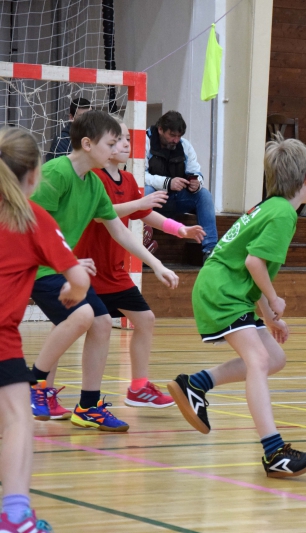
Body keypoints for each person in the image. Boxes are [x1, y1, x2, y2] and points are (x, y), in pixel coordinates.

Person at [167, 137, 306, 479]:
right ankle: (274, 452)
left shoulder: (270, 207)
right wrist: (275, 299)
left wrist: (268, 316)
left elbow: (247, 268)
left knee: (274, 358)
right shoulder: (283, 214)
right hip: (222, 290)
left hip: (225, 286)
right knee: (259, 360)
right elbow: (254, 264)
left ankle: (196, 384)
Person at [28, 110, 179, 430]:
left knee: (100, 323)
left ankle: (88, 406)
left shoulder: (94, 185)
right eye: (110, 143)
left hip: (62, 268)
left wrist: (156, 264)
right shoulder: (56, 173)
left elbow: (120, 231)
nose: (115, 150)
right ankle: (34, 383)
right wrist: (68, 262)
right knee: (83, 316)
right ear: (87, 144)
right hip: (35, 268)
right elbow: (35, 228)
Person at [73, 120, 205, 409]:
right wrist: (138, 204)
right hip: (88, 271)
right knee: (81, 329)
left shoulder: (129, 180)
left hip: (115, 273)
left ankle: (139, 388)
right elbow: (101, 214)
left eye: (127, 138)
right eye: (118, 139)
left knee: (145, 320)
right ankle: (46, 386)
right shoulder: (94, 177)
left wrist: (180, 230)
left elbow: (145, 213)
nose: (125, 143)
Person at [0, 126, 90, 532]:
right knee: (18, 420)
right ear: (34, 174)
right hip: (2, 338)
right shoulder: (31, 217)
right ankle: (16, 516)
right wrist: (73, 290)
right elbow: (80, 280)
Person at [144, 110, 218, 261]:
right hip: (154, 197)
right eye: (172, 135)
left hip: (177, 198)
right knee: (145, 191)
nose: (176, 140)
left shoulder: (185, 146)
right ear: (160, 129)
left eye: (179, 136)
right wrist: (167, 183)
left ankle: (210, 250)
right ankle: (141, 242)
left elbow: (196, 171)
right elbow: (139, 175)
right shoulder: (145, 141)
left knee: (204, 195)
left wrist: (196, 183)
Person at [45, 97, 91, 161]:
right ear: (71, 118)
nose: (87, 120)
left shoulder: (96, 136)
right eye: (82, 117)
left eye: (90, 116)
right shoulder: (61, 141)